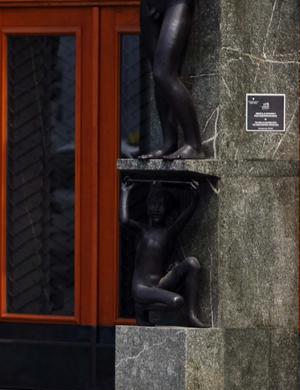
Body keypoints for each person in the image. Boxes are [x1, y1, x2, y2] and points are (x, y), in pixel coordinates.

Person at [120, 179, 206, 327]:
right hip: (142, 288)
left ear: (167, 208)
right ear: (147, 207)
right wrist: (125, 192)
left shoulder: (169, 232)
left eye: (161, 204)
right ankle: (141, 307)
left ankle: (192, 315)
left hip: (159, 285)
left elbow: (185, 217)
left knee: (192, 263)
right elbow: (125, 220)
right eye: (152, 204)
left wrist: (195, 199)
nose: (156, 208)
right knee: (177, 301)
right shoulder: (142, 231)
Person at [139, 0, 205, 160]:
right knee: (157, 74)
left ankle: (194, 144)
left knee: (163, 72)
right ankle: (168, 143)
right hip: (148, 4)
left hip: (176, 4)